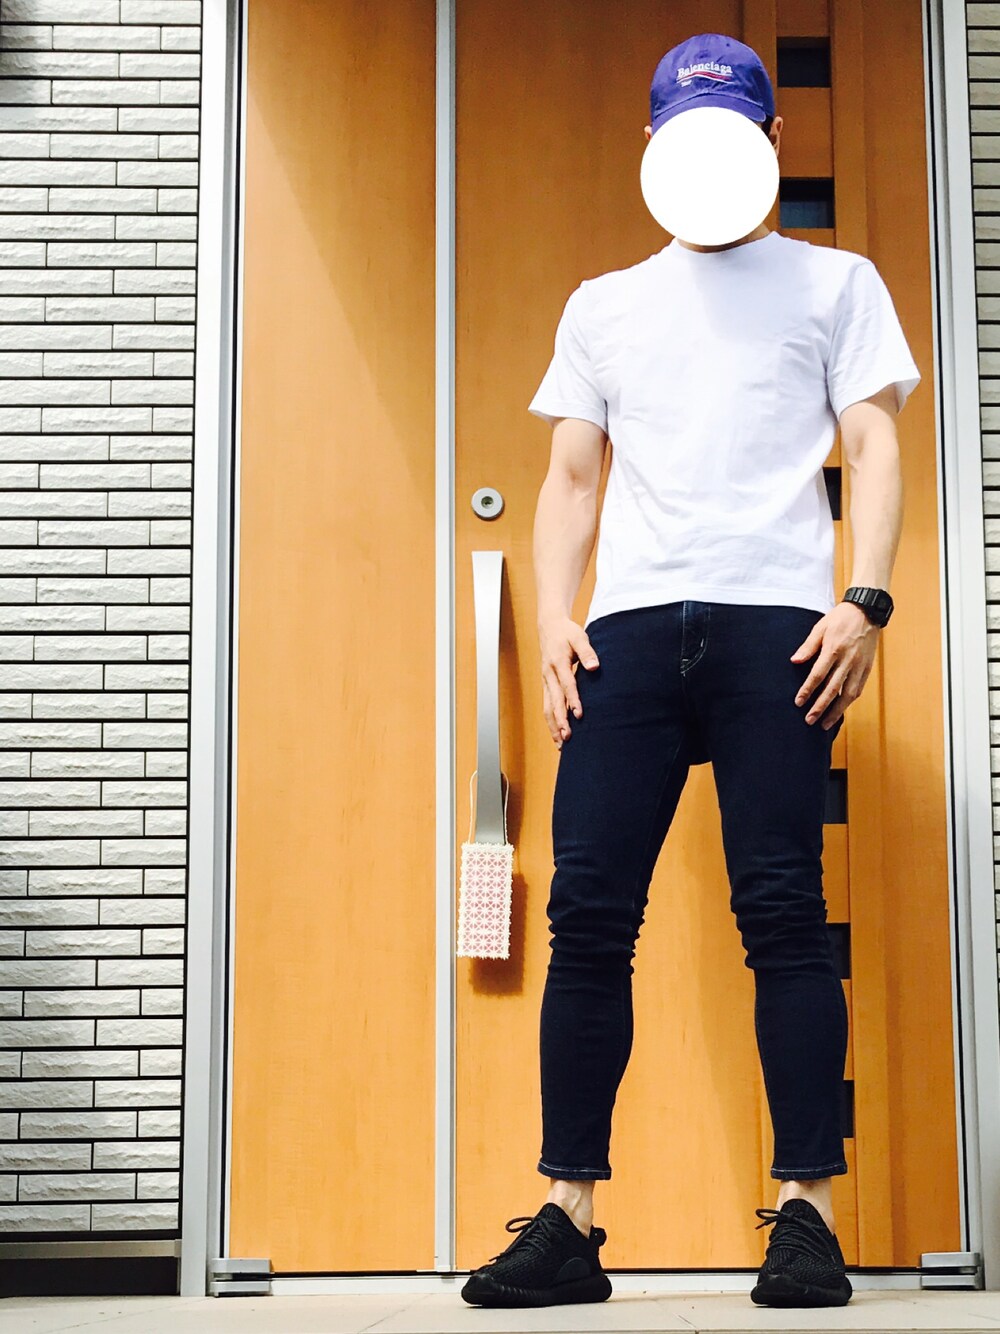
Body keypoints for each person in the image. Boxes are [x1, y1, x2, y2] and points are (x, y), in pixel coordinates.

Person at [460, 30, 920, 1313]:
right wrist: (558, 615)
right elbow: (570, 476)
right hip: (630, 632)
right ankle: (567, 1220)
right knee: (589, 915)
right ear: (656, 148)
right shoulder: (604, 303)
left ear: (768, 142)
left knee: (782, 912)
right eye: (685, 135)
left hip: (779, 626)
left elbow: (874, 445)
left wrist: (866, 599)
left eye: (728, 133)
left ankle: (806, 1215)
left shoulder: (835, 282)